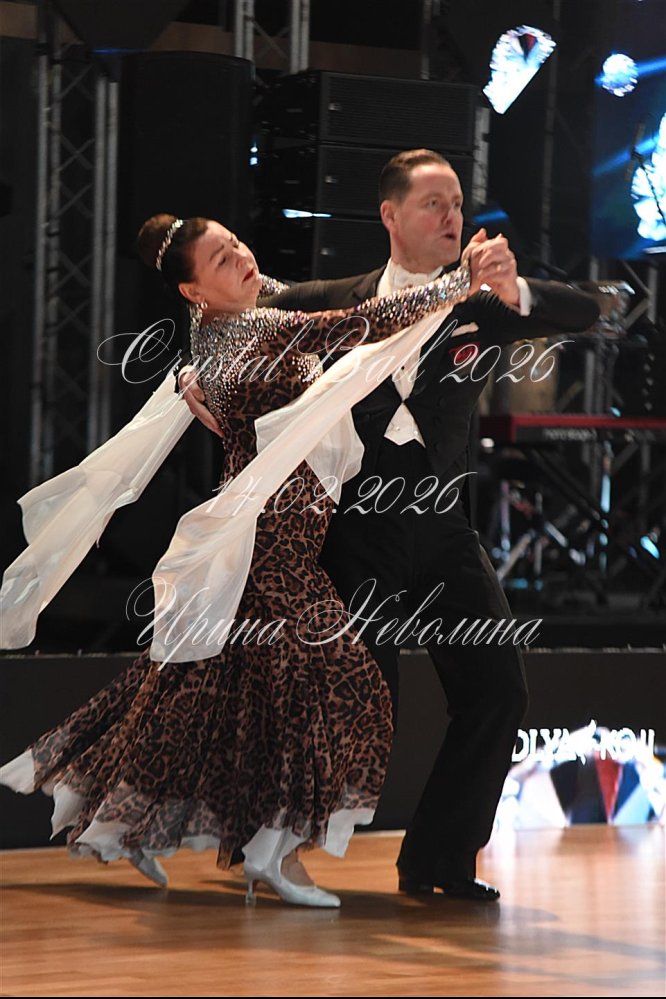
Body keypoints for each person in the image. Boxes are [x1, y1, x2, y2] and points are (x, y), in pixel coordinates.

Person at [0, 210, 478, 908]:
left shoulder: (216, 325)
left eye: (236, 244)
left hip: (268, 539)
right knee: (348, 688)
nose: (243, 259)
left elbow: (307, 296)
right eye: (222, 260)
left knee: (194, 694)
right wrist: (458, 283)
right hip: (273, 548)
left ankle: (113, 824)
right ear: (195, 291)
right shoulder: (258, 332)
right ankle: (271, 855)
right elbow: (361, 321)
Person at [179, 150, 600, 901]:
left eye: (457, 203)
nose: (452, 217)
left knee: (498, 690)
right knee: (362, 699)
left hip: (442, 529)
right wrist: (191, 373)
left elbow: (588, 312)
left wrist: (518, 288)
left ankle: (439, 859)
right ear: (391, 216)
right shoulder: (333, 301)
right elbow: (232, 322)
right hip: (356, 534)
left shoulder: (482, 304)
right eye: (434, 203)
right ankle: (266, 845)